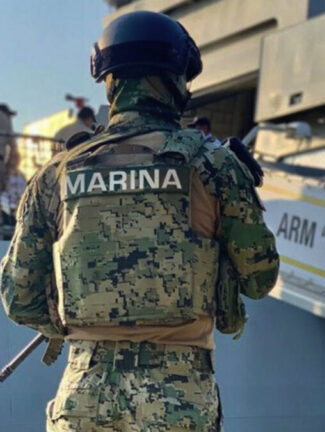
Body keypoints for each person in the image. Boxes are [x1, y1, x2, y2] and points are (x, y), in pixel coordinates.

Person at [1, 10, 279, 431]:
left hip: (83, 395)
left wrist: (77, 320)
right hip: (179, 396)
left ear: (109, 81)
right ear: (176, 81)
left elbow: (17, 297)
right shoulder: (215, 165)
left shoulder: (57, 174)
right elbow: (260, 279)